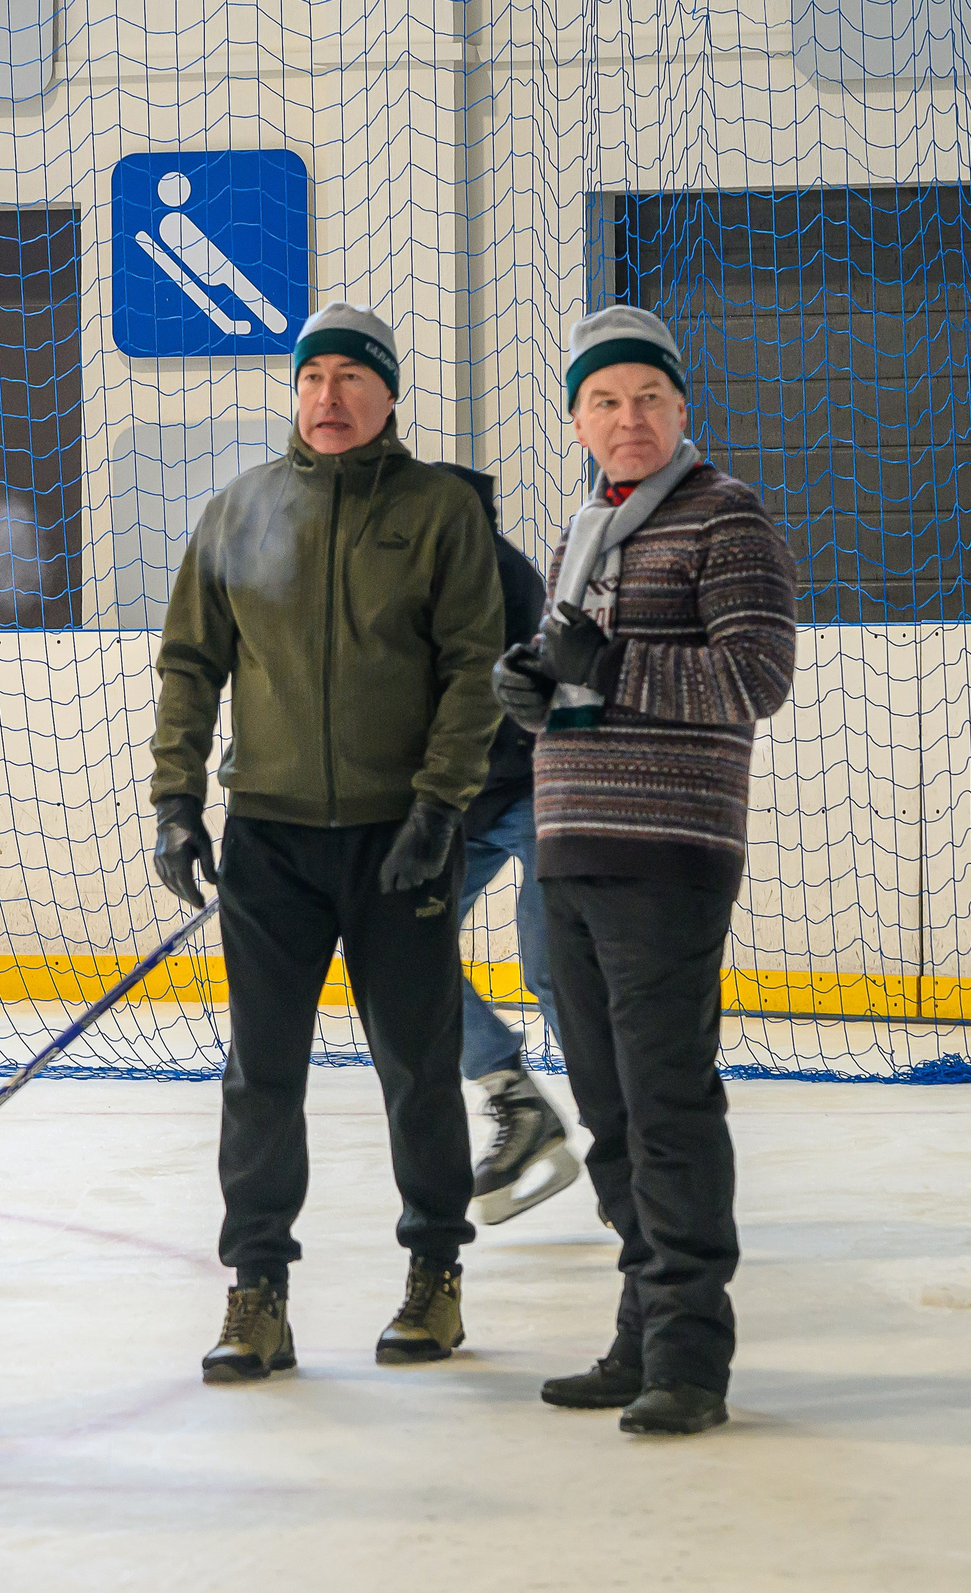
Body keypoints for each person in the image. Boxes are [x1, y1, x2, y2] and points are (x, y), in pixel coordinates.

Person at [151, 303, 505, 1383]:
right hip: (271, 840)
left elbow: (471, 668)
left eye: (353, 378)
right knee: (261, 1073)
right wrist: (175, 801)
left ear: (389, 394)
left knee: (416, 1066)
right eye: (313, 379)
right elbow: (189, 664)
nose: (329, 398)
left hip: (402, 841)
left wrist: (440, 808)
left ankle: (434, 1276)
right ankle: (257, 1291)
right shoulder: (240, 509)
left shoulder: (440, 511)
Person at [494, 305, 796, 1437]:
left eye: (648, 399)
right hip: (570, 845)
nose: (628, 420)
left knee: (666, 1107)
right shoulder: (587, 527)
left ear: (683, 408)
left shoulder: (728, 518)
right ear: (576, 419)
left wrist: (606, 666)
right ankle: (638, 1335)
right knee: (609, 1115)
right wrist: (531, 695)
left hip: (667, 854)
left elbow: (753, 677)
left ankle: (689, 1358)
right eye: (604, 402)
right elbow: (582, 684)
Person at [433, 462, 580, 1224]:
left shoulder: (498, 573)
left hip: (530, 787)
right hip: (461, 803)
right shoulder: (413, 571)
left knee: (552, 961)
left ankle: (626, 1140)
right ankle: (513, 1097)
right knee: (402, 948)